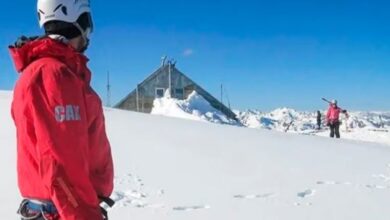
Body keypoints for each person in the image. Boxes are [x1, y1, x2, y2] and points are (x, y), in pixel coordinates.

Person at [9, 0, 114, 219]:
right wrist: (83, 214)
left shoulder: (50, 72)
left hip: (63, 207)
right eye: (87, 22)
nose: (88, 33)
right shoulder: (54, 76)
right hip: (63, 211)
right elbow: (59, 164)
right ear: (76, 20)